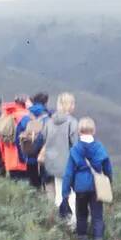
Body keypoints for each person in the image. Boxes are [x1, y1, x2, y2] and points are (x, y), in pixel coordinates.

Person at [61, 117, 113, 240]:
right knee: (97, 218)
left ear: (79, 132)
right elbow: (108, 168)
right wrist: (109, 181)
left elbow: (68, 173)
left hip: (81, 188)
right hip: (97, 187)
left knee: (81, 216)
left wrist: (66, 192)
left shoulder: (75, 150)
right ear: (94, 131)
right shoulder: (100, 148)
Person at [40, 92, 78, 225]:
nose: (74, 106)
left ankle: (59, 222)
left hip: (52, 164)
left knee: (59, 194)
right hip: (68, 164)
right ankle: (73, 224)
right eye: (72, 103)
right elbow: (76, 144)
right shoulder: (72, 122)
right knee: (72, 194)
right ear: (69, 105)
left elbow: (44, 138)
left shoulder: (49, 122)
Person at [15, 92, 51, 189]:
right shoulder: (49, 118)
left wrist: (22, 158)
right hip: (47, 159)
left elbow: (17, 139)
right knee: (49, 187)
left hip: (30, 158)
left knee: (34, 188)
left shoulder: (25, 119)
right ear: (46, 103)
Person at [0, 95, 29, 181]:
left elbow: (0, 140)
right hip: (25, 160)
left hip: (10, 159)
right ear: (25, 103)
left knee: (15, 187)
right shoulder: (28, 116)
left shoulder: (6, 116)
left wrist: (4, 157)